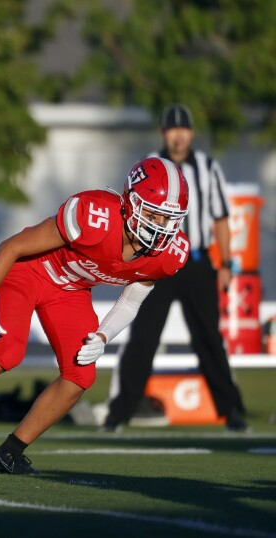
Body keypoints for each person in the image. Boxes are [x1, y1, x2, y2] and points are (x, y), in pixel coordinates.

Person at [0, 156, 191, 476]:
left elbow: (131, 301)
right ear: (130, 202)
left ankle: (11, 451)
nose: (160, 226)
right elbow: (12, 247)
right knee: (7, 352)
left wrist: (104, 335)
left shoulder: (169, 254)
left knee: (80, 377)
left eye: (169, 218)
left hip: (71, 290)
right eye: (152, 213)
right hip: (30, 271)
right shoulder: (93, 215)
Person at [102, 104, 248, 433]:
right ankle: (119, 412)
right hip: (157, 258)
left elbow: (220, 218)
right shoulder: (151, 163)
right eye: (172, 130)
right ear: (163, 133)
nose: (178, 136)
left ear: (191, 133)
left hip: (196, 262)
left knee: (209, 337)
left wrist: (225, 263)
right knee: (144, 336)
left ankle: (232, 411)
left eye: (183, 130)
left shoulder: (207, 168)